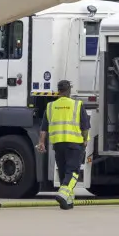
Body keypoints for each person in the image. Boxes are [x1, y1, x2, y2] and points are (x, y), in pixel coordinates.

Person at [36, 80, 89, 209]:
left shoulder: (50, 106)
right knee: (73, 171)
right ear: (69, 90)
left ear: (58, 91)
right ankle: (63, 193)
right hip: (75, 143)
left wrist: (41, 142)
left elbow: (44, 128)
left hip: (58, 144)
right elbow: (85, 126)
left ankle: (68, 201)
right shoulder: (77, 104)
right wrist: (85, 139)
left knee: (64, 171)